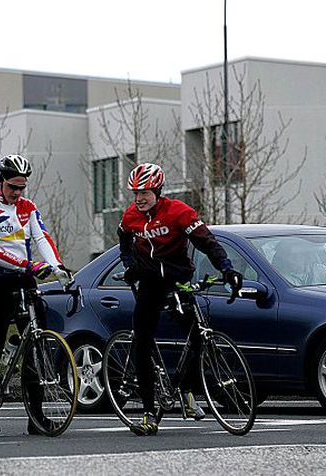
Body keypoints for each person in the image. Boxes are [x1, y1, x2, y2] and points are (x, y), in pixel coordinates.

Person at [117, 162, 243, 436]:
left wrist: (227, 269)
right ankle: (150, 413)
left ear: (158, 190)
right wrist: (129, 265)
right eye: (135, 192)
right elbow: (124, 240)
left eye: (145, 192)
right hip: (149, 282)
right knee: (142, 340)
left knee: (198, 334)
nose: (139, 198)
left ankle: (186, 390)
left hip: (178, 278)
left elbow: (208, 243)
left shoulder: (178, 212)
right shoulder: (130, 216)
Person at [0, 154, 71, 437]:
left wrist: (56, 265)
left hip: (25, 279)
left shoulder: (28, 207)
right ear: (0, 182)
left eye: (22, 188)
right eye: (13, 187)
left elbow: (41, 238)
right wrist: (29, 265)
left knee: (36, 347)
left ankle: (36, 417)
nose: (17, 193)